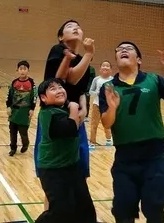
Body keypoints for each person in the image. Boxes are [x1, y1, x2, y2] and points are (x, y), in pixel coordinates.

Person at [99, 42, 164, 223]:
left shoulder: (154, 80)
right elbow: (106, 123)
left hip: (155, 155)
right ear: (116, 59)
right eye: (119, 49)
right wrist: (111, 107)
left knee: (154, 207)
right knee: (123, 209)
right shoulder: (108, 88)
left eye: (129, 48)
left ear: (139, 59)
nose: (123, 50)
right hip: (125, 158)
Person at [34, 20, 94, 210]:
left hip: (76, 116)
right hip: (56, 116)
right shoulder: (57, 50)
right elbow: (69, 77)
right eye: (70, 26)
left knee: (79, 168)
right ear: (61, 36)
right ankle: (49, 214)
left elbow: (81, 89)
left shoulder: (83, 61)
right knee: (54, 172)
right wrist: (90, 54)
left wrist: (84, 110)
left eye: (78, 26)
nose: (76, 27)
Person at [35, 78, 97, 223]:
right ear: (43, 98)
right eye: (53, 88)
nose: (59, 90)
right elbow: (69, 129)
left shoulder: (63, 108)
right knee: (60, 212)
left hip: (72, 167)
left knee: (85, 209)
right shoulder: (48, 113)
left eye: (60, 87)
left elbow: (79, 117)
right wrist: (74, 107)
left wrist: (79, 103)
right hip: (53, 171)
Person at [6, 60, 36, 156]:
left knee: (23, 131)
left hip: (25, 111)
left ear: (28, 70)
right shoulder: (14, 82)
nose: (22, 71)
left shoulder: (31, 83)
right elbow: (9, 95)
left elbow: (34, 96)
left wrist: (32, 108)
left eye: (25, 69)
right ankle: (13, 148)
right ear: (17, 70)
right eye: (20, 69)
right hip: (14, 111)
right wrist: (8, 107)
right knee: (12, 131)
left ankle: (25, 144)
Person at [88, 60, 114, 150]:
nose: (105, 67)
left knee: (107, 124)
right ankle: (92, 142)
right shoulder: (96, 79)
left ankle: (109, 139)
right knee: (94, 124)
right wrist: (98, 93)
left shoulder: (113, 80)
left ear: (111, 70)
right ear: (100, 69)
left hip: (108, 106)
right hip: (97, 104)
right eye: (103, 65)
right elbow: (91, 91)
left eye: (107, 66)